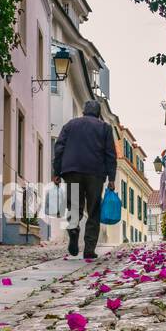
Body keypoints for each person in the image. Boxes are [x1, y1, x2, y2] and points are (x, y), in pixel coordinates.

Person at [52, 99, 117, 261]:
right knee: (93, 209)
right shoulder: (105, 128)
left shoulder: (70, 125)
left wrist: (56, 171)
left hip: (72, 171)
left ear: (83, 112)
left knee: (74, 205)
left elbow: (59, 148)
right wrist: (112, 178)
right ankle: (89, 248)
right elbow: (110, 154)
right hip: (95, 173)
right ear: (98, 113)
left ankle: (73, 229)